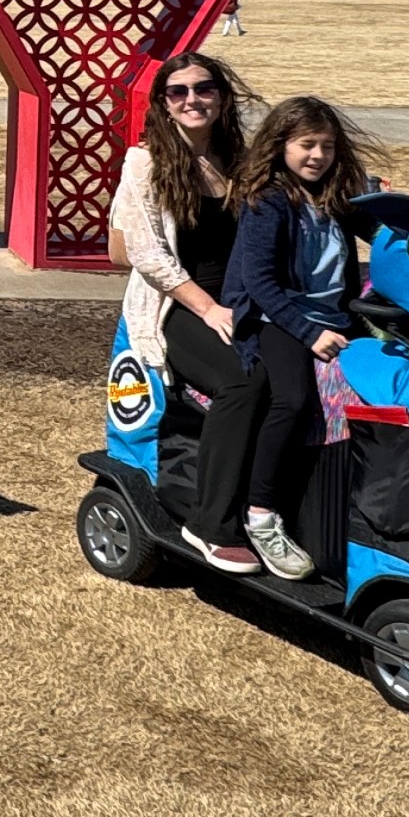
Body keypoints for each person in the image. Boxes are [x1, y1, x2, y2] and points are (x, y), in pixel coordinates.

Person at [110, 53, 262, 574]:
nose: (192, 100)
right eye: (179, 92)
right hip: (178, 304)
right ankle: (210, 523)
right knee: (240, 384)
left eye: (204, 89)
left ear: (222, 97)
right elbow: (146, 255)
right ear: (163, 104)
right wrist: (208, 308)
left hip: (243, 300)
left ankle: (266, 509)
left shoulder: (242, 161)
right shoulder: (145, 163)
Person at [223, 95, 378, 581]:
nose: (318, 156)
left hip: (335, 316)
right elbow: (259, 283)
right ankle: (262, 514)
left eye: (327, 146)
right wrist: (309, 333)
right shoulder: (268, 201)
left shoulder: (335, 197)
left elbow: (383, 232)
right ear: (280, 145)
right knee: (291, 400)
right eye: (306, 145)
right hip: (278, 320)